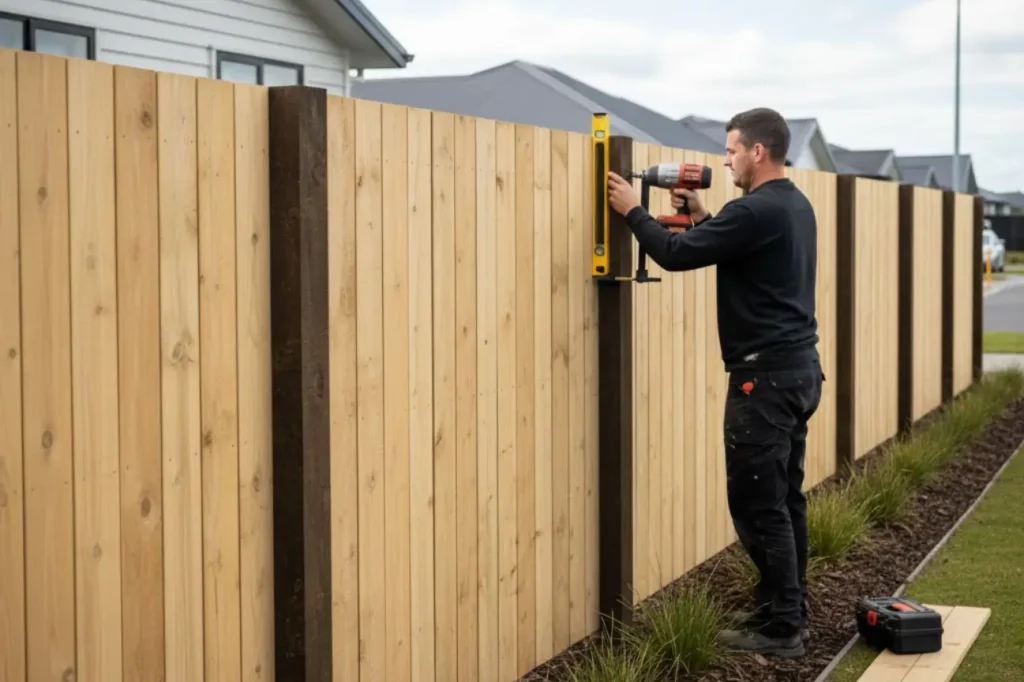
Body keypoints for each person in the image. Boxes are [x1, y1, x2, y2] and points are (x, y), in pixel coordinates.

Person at [607, 107, 824, 659]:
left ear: (757, 151)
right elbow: (739, 256)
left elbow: (675, 255)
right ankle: (786, 608)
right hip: (798, 372)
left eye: (731, 150)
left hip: (765, 382)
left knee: (757, 504)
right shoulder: (792, 206)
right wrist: (704, 216)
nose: (724, 159)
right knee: (784, 500)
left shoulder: (755, 210)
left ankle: (783, 630)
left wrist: (634, 212)